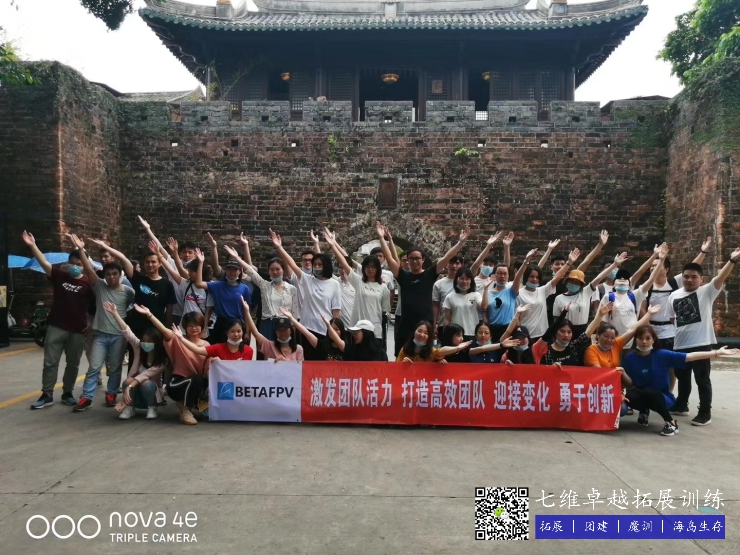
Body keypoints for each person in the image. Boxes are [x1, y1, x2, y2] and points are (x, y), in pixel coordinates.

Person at [665, 247, 740, 426]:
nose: (689, 280)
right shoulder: (674, 295)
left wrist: (732, 260)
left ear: (701, 279)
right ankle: (681, 405)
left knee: (702, 380)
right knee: (682, 378)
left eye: (694, 277)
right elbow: (672, 318)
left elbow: (721, 277)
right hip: (680, 344)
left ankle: (705, 412)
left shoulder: (707, 291)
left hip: (701, 343)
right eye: (686, 276)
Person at [22, 231, 95, 409]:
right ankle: (47, 394)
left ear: (84, 265)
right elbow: (44, 262)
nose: (75, 266)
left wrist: (92, 325)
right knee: (50, 362)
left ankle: (68, 392)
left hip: (78, 330)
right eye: (73, 263)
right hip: (56, 326)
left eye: (79, 264)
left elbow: (96, 306)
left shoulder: (89, 283)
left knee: (73, 364)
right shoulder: (60, 276)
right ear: (68, 263)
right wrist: (33, 245)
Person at [622, 325, 739, 435]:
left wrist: (716, 353)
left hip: (662, 397)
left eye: (648, 338)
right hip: (642, 394)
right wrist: (623, 373)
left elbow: (690, 356)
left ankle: (671, 423)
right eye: (640, 338)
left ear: (653, 340)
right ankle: (644, 412)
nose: (644, 342)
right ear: (635, 340)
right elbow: (631, 384)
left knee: (649, 392)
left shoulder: (662, 355)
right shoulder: (630, 358)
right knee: (630, 396)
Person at [376, 221, 471, 353]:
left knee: (426, 355)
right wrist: (382, 238)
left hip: (426, 322)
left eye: (417, 258)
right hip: (406, 323)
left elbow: (446, 257)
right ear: (408, 260)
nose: (414, 261)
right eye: (411, 259)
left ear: (423, 260)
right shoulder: (403, 275)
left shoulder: (429, 274)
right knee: (403, 354)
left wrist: (460, 243)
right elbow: (389, 258)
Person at [67, 234, 135, 412]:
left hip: (119, 336)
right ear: (104, 275)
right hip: (100, 335)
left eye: (114, 274)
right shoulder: (100, 286)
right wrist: (81, 249)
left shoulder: (128, 292)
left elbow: (133, 309)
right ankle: (86, 397)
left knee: (115, 367)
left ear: (120, 275)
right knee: (94, 367)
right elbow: (89, 270)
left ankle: (111, 393)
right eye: (108, 274)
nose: (111, 277)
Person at [131, 305, 209, 425]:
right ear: (185, 327)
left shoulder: (207, 345)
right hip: (176, 384)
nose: (194, 328)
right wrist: (149, 315)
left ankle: (186, 404)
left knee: (205, 413)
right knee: (197, 379)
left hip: (196, 386)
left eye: (197, 325)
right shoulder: (178, 339)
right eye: (190, 325)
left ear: (202, 326)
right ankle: (185, 410)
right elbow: (163, 330)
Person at [270, 229, 341, 360]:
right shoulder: (308, 280)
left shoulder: (334, 284)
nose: (317, 267)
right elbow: (292, 264)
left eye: (320, 264)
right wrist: (279, 247)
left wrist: (336, 332)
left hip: (325, 330)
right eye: (315, 265)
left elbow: (336, 312)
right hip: (306, 328)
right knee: (307, 362)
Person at [101, 302, 168, 421]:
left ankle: (152, 407)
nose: (145, 344)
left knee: (145, 382)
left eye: (149, 341)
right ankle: (129, 407)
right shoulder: (138, 347)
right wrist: (115, 313)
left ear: (156, 343)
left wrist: (129, 387)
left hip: (152, 393)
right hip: (135, 391)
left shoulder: (161, 361)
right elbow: (127, 331)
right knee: (127, 381)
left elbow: (144, 375)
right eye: (144, 341)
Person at [324, 230, 390, 344]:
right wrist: (333, 245)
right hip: (357, 328)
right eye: (367, 267)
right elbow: (345, 262)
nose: (370, 270)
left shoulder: (383, 288)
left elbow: (384, 311)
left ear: (378, 269)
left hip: (375, 330)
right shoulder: (358, 281)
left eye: (373, 267)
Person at [222, 245, 298, 344]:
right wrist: (237, 258)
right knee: (266, 351)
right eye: (272, 269)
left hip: (285, 325)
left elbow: (295, 312)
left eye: (278, 269)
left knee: (285, 351)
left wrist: (293, 326)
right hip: (266, 324)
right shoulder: (264, 285)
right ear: (268, 271)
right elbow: (250, 271)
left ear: (283, 270)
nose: (275, 272)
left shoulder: (291, 289)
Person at [598, 245, 667, 349]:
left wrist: (661, 260)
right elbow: (602, 321)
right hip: (613, 343)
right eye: (619, 278)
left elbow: (651, 279)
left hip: (632, 342)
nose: (622, 279)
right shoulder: (608, 297)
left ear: (629, 284)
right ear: (614, 285)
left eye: (625, 279)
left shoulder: (635, 296)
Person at [540, 231, 610, 324]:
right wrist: (549, 250)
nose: (560, 266)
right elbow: (537, 268)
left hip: (569, 321)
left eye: (562, 264)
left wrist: (600, 245)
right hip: (548, 319)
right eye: (557, 264)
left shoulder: (571, 280)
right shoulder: (546, 282)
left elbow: (586, 262)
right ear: (551, 267)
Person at [553, 252, 628, 338]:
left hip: (583, 331)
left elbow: (599, 277)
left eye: (577, 283)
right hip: (565, 332)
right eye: (572, 281)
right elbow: (556, 321)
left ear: (581, 285)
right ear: (567, 282)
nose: (574, 284)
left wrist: (615, 264)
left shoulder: (585, 292)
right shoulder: (559, 298)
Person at [515, 248, 580, 342]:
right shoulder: (518, 292)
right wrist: (526, 260)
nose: (534, 279)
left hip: (543, 336)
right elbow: (517, 278)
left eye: (537, 277)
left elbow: (557, 277)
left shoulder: (542, 291)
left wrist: (569, 262)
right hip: (525, 336)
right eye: (531, 276)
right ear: (526, 277)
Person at [192, 248, 252, 345]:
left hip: (237, 324)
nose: (232, 272)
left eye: (235, 270)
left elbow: (246, 312)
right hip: (221, 324)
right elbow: (198, 283)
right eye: (229, 269)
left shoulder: (244, 288)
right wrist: (200, 263)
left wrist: (248, 332)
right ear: (225, 271)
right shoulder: (217, 285)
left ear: (240, 271)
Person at [532, 302, 614, 366]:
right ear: (555, 332)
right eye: (562, 331)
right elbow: (541, 372)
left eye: (569, 332)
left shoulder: (574, 347)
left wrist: (600, 315)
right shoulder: (546, 352)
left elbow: (588, 333)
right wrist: (551, 368)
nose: (566, 335)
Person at [584, 304, 662, 368]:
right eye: (606, 336)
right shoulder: (591, 350)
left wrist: (649, 314)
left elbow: (633, 329)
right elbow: (599, 372)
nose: (609, 340)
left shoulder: (615, 344)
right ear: (598, 335)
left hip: (614, 380)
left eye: (612, 338)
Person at [484, 250, 535, 341]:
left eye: (505, 274)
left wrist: (526, 261)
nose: (502, 276)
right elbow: (485, 313)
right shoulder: (488, 293)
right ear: (494, 275)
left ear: (508, 276)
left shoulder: (511, 291)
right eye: (499, 273)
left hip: (509, 329)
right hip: (492, 330)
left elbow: (518, 277)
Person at [443, 268, 491, 340]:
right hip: (456, 334)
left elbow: (483, 307)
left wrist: (486, 288)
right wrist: (446, 335)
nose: (464, 281)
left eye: (467, 279)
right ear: (457, 279)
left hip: (473, 333)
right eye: (461, 278)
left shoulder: (476, 295)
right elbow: (447, 319)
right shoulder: (450, 297)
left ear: (471, 281)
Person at [280, 308, 346, 361]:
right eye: (331, 329)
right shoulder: (322, 346)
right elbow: (306, 332)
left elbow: (340, 343)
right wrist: (291, 318)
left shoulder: (346, 347)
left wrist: (329, 326)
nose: (333, 332)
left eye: (337, 329)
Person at [178, 317, 254, 361]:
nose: (236, 334)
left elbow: (244, 371)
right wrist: (181, 338)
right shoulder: (218, 348)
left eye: (239, 331)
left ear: (243, 332)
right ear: (226, 333)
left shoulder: (248, 350)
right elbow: (197, 350)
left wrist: (222, 363)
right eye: (232, 331)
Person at [319, 316, 388, 361]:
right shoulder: (353, 350)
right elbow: (338, 341)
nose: (354, 335)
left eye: (357, 332)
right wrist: (328, 326)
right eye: (353, 332)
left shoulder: (380, 353)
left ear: (366, 333)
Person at [396, 321, 469, 363]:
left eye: (426, 333)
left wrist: (457, 348)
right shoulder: (404, 349)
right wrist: (403, 365)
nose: (422, 335)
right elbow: (395, 370)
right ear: (414, 332)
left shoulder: (431, 352)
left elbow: (440, 351)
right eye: (419, 331)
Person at [432, 254, 464, 340]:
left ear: (461, 265)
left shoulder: (465, 283)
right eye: (451, 263)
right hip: (443, 324)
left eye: (457, 263)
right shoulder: (439, 284)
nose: (454, 266)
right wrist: (434, 325)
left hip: (462, 323)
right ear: (446, 264)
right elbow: (435, 306)